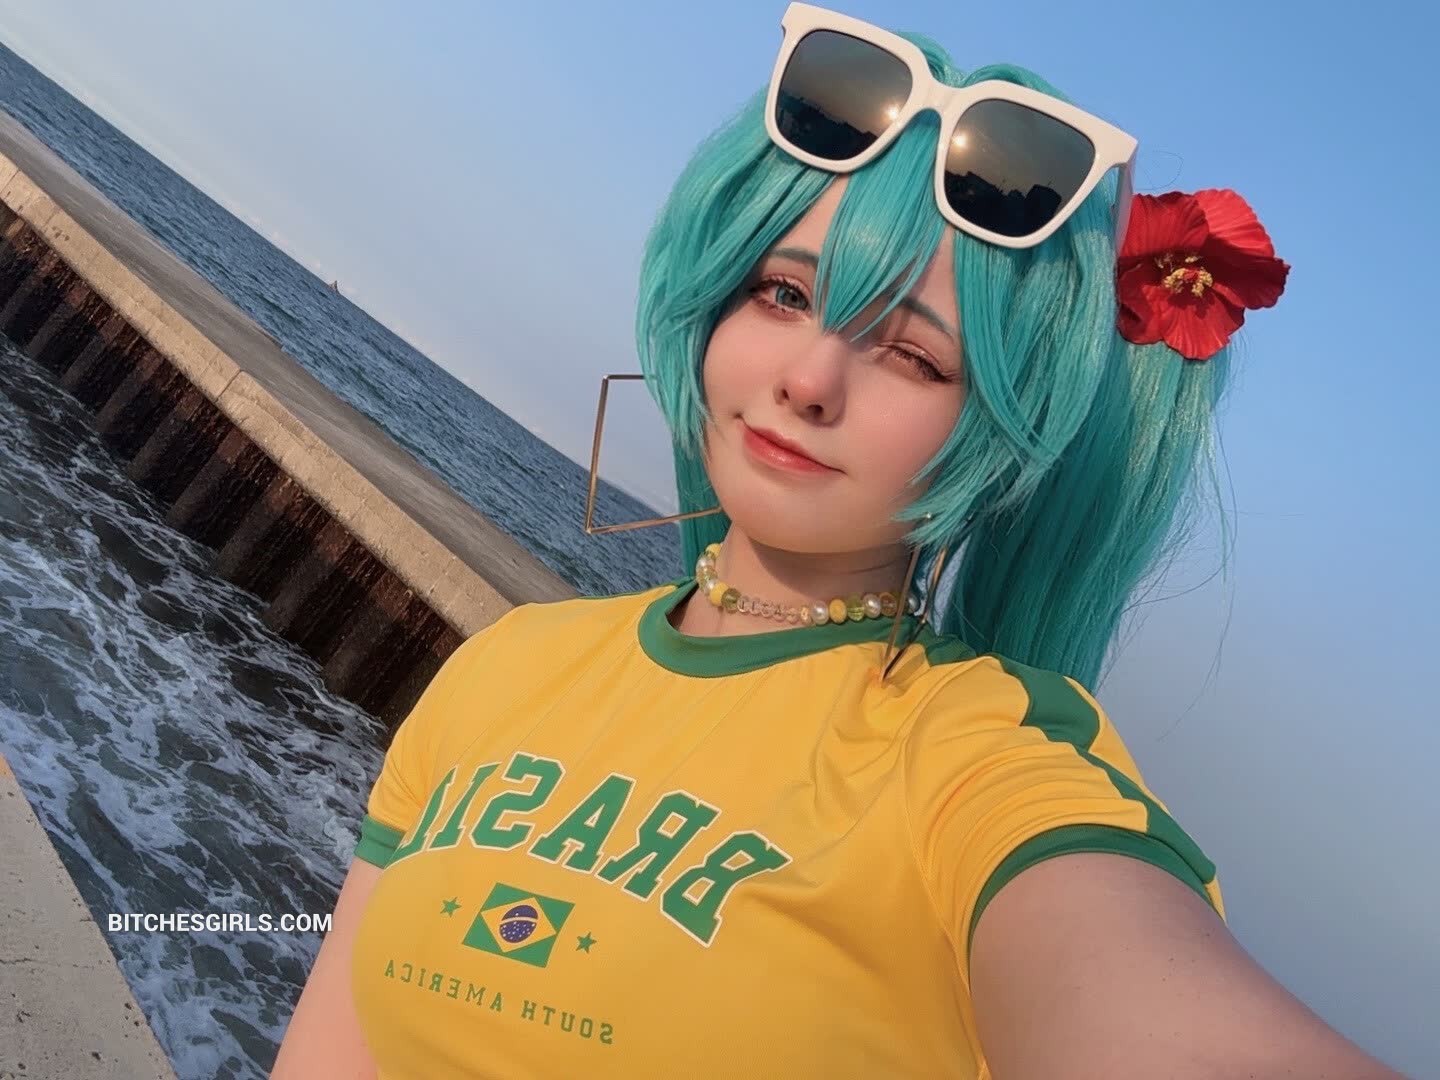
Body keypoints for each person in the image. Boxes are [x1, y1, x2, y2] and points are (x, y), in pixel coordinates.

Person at [273, 4, 1406, 1077]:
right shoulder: (510, 666)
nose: (810, 378)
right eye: (782, 294)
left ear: (1001, 434)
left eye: (913, 356)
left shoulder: (978, 753)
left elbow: (1138, 990)